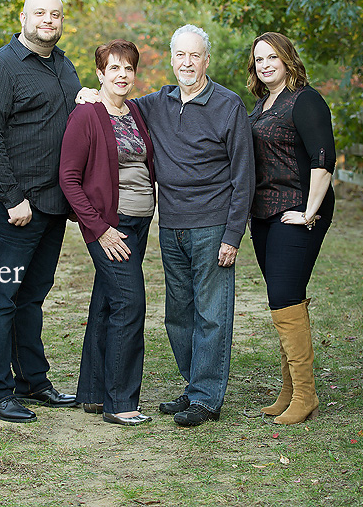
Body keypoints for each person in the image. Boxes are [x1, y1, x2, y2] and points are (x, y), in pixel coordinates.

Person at [80, 25, 255, 426]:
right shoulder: (157, 103)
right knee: (178, 314)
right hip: (170, 225)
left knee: (212, 313)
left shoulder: (228, 106)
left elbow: (244, 177)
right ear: (172, 59)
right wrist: (88, 94)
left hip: (212, 225)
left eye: (195, 56)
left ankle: (206, 398)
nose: (187, 63)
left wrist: (233, 235)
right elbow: (116, 100)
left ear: (206, 60)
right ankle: (194, 385)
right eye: (180, 56)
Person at [0, 0, 83, 423]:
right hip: (13, 207)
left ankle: (32, 381)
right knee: (0, 298)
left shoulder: (63, 65)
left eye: (55, 14)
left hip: (53, 205)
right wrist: (13, 197)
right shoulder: (0, 68)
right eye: (40, 13)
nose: (48, 20)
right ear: (23, 17)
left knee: (32, 297)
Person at [59, 39, 156, 426]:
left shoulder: (135, 111)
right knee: (129, 305)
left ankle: (95, 392)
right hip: (110, 226)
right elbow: (68, 178)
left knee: (107, 302)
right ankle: (120, 402)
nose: (122, 75)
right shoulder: (86, 115)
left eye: (128, 68)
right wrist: (100, 229)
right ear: (100, 73)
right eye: (113, 68)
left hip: (139, 221)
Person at [246, 32, 335, 425]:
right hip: (265, 214)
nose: (266, 65)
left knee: (283, 295)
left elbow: (323, 158)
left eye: (272, 58)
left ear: (287, 60)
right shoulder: (262, 104)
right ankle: (290, 390)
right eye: (259, 59)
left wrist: (310, 211)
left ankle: (306, 394)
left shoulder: (305, 99)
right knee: (285, 298)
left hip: (298, 211)